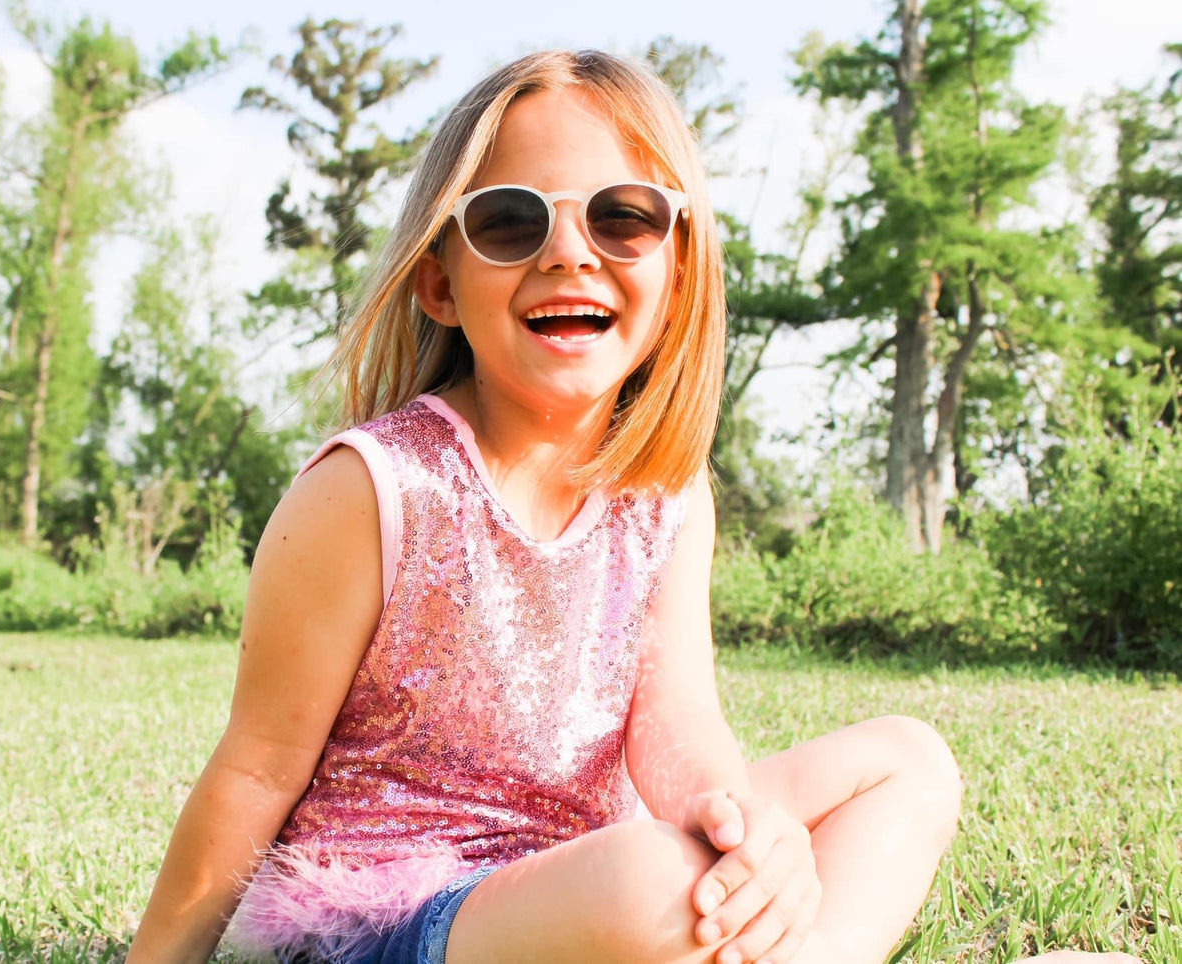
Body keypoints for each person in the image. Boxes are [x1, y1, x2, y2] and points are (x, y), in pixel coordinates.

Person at [127, 50, 1141, 964]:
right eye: (511, 220)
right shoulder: (373, 487)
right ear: (438, 281)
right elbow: (253, 775)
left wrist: (747, 832)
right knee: (652, 878)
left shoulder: (662, 491)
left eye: (620, 216)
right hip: (384, 925)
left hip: (575, 893)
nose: (568, 252)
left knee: (904, 763)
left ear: (678, 267)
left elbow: (678, 728)